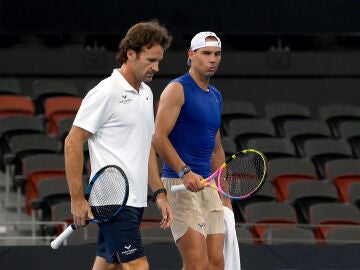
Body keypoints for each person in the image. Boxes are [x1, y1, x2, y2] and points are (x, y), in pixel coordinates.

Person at [64, 20, 173, 270]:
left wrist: (159, 193)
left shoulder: (146, 93)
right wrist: (77, 199)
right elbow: (72, 142)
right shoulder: (105, 92)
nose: (156, 67)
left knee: (108, 265)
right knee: (138, 265)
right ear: (131, 54)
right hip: (112, 201)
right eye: (150, 60)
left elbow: (146, 147)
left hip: (135, 200)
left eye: (159, 61)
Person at [153, 31, 233, 270]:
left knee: (216, 263)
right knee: (197, 264)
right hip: (179, 185)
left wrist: (225, 195)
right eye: (206, 53)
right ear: (191, 55)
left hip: (209, 186)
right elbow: (159, 138)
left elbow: (216, 148)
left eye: (217, 54)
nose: (213, 59)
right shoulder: (177, 89)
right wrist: (184, 172)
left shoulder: (216, 96)